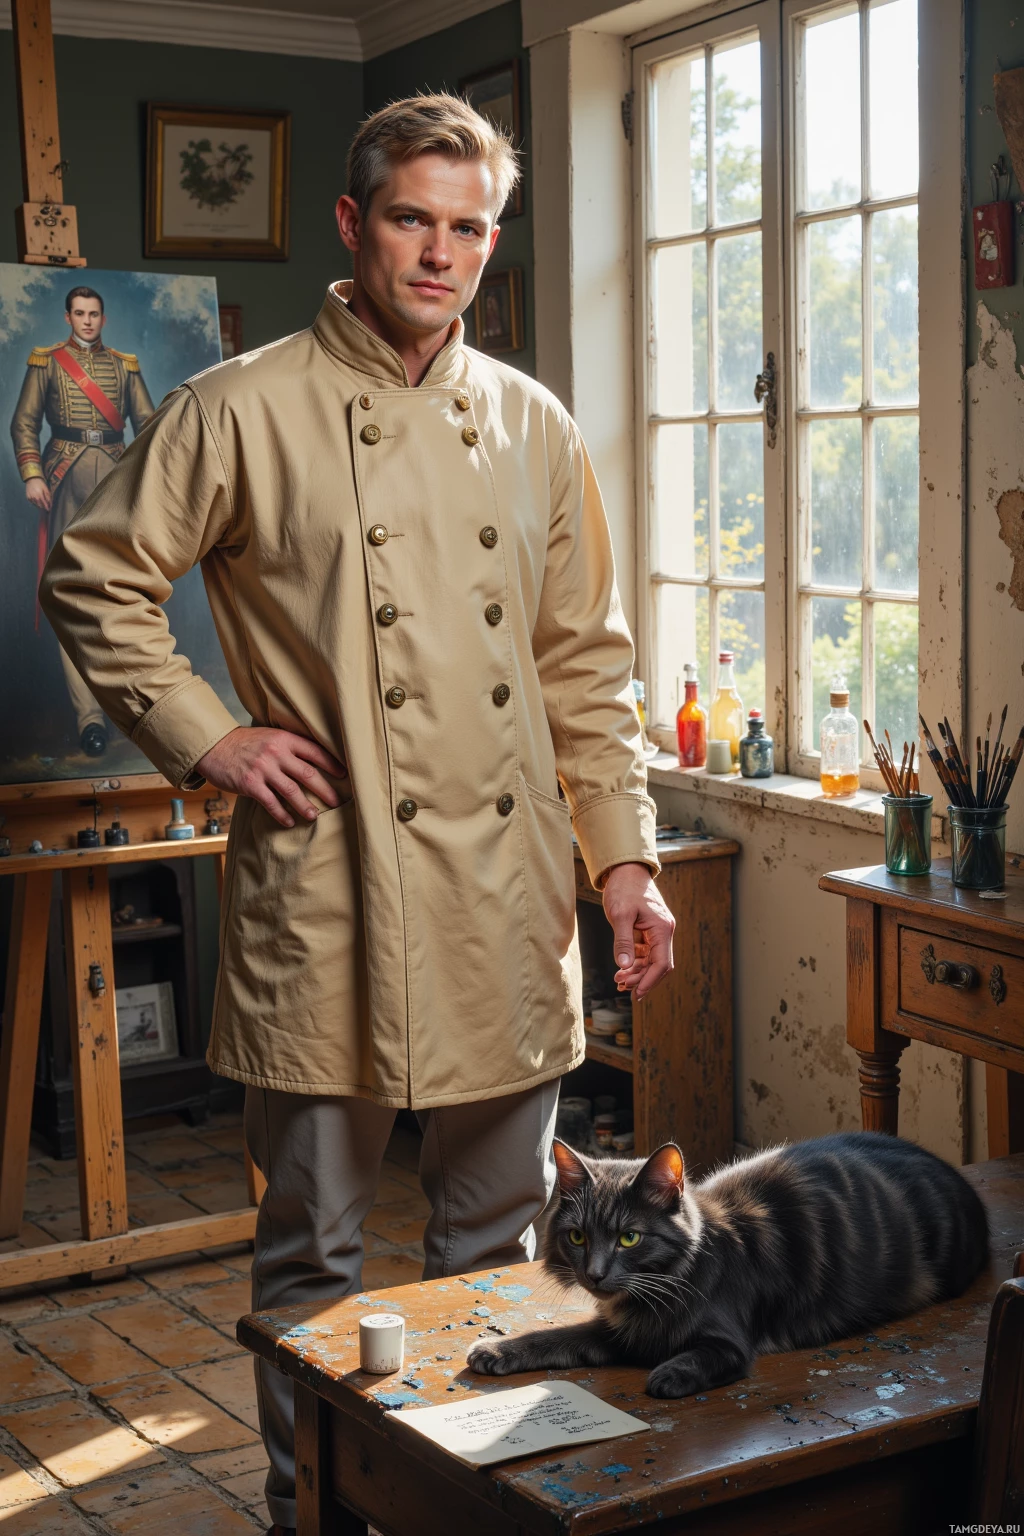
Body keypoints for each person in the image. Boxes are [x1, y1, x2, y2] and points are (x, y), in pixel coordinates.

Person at [40, 95, 675, 1536]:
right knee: (315, 1251)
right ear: (353, 224)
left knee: (499, 1253)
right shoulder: (238, 406)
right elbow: (93, 576)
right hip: (336, 883)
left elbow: (586, 664)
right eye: (411, 219)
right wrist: (215, 738)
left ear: (491, 241)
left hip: (510, 891)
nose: (439, 254)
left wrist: (625, 862)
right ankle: (307, 1511)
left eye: (466, 228)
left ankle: (479, 1504)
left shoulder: (533, 421)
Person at [11, 285, 154, 756]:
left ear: (103, 319)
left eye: (94, 314)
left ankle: (134, 710)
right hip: (64, 477)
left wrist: (148, 485)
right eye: (79, 313)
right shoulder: (47, 361)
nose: (87, 321)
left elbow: (149, 425)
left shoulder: (123, 365)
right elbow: (24, 423)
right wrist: (33, 475)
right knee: (73, 597)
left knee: (122, 592)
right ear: (68, 317)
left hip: (116, 479)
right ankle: (89, 717)